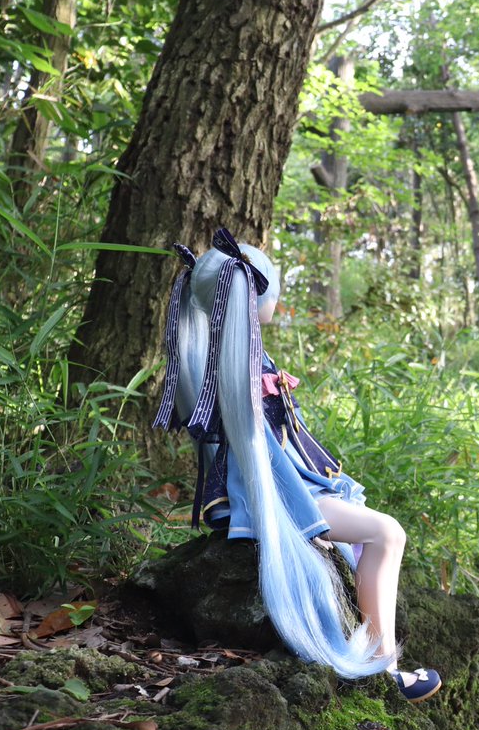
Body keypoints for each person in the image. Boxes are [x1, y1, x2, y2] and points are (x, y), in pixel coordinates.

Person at [152, 228, 440, 703]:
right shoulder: (236, 368)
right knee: (388, 533)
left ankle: (378, 655)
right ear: (252, 295)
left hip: (278, 487)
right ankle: (384, 666)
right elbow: (260, 454)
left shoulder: (227, 360)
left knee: (372, 528)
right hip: (272, 495)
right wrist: (305, 514)